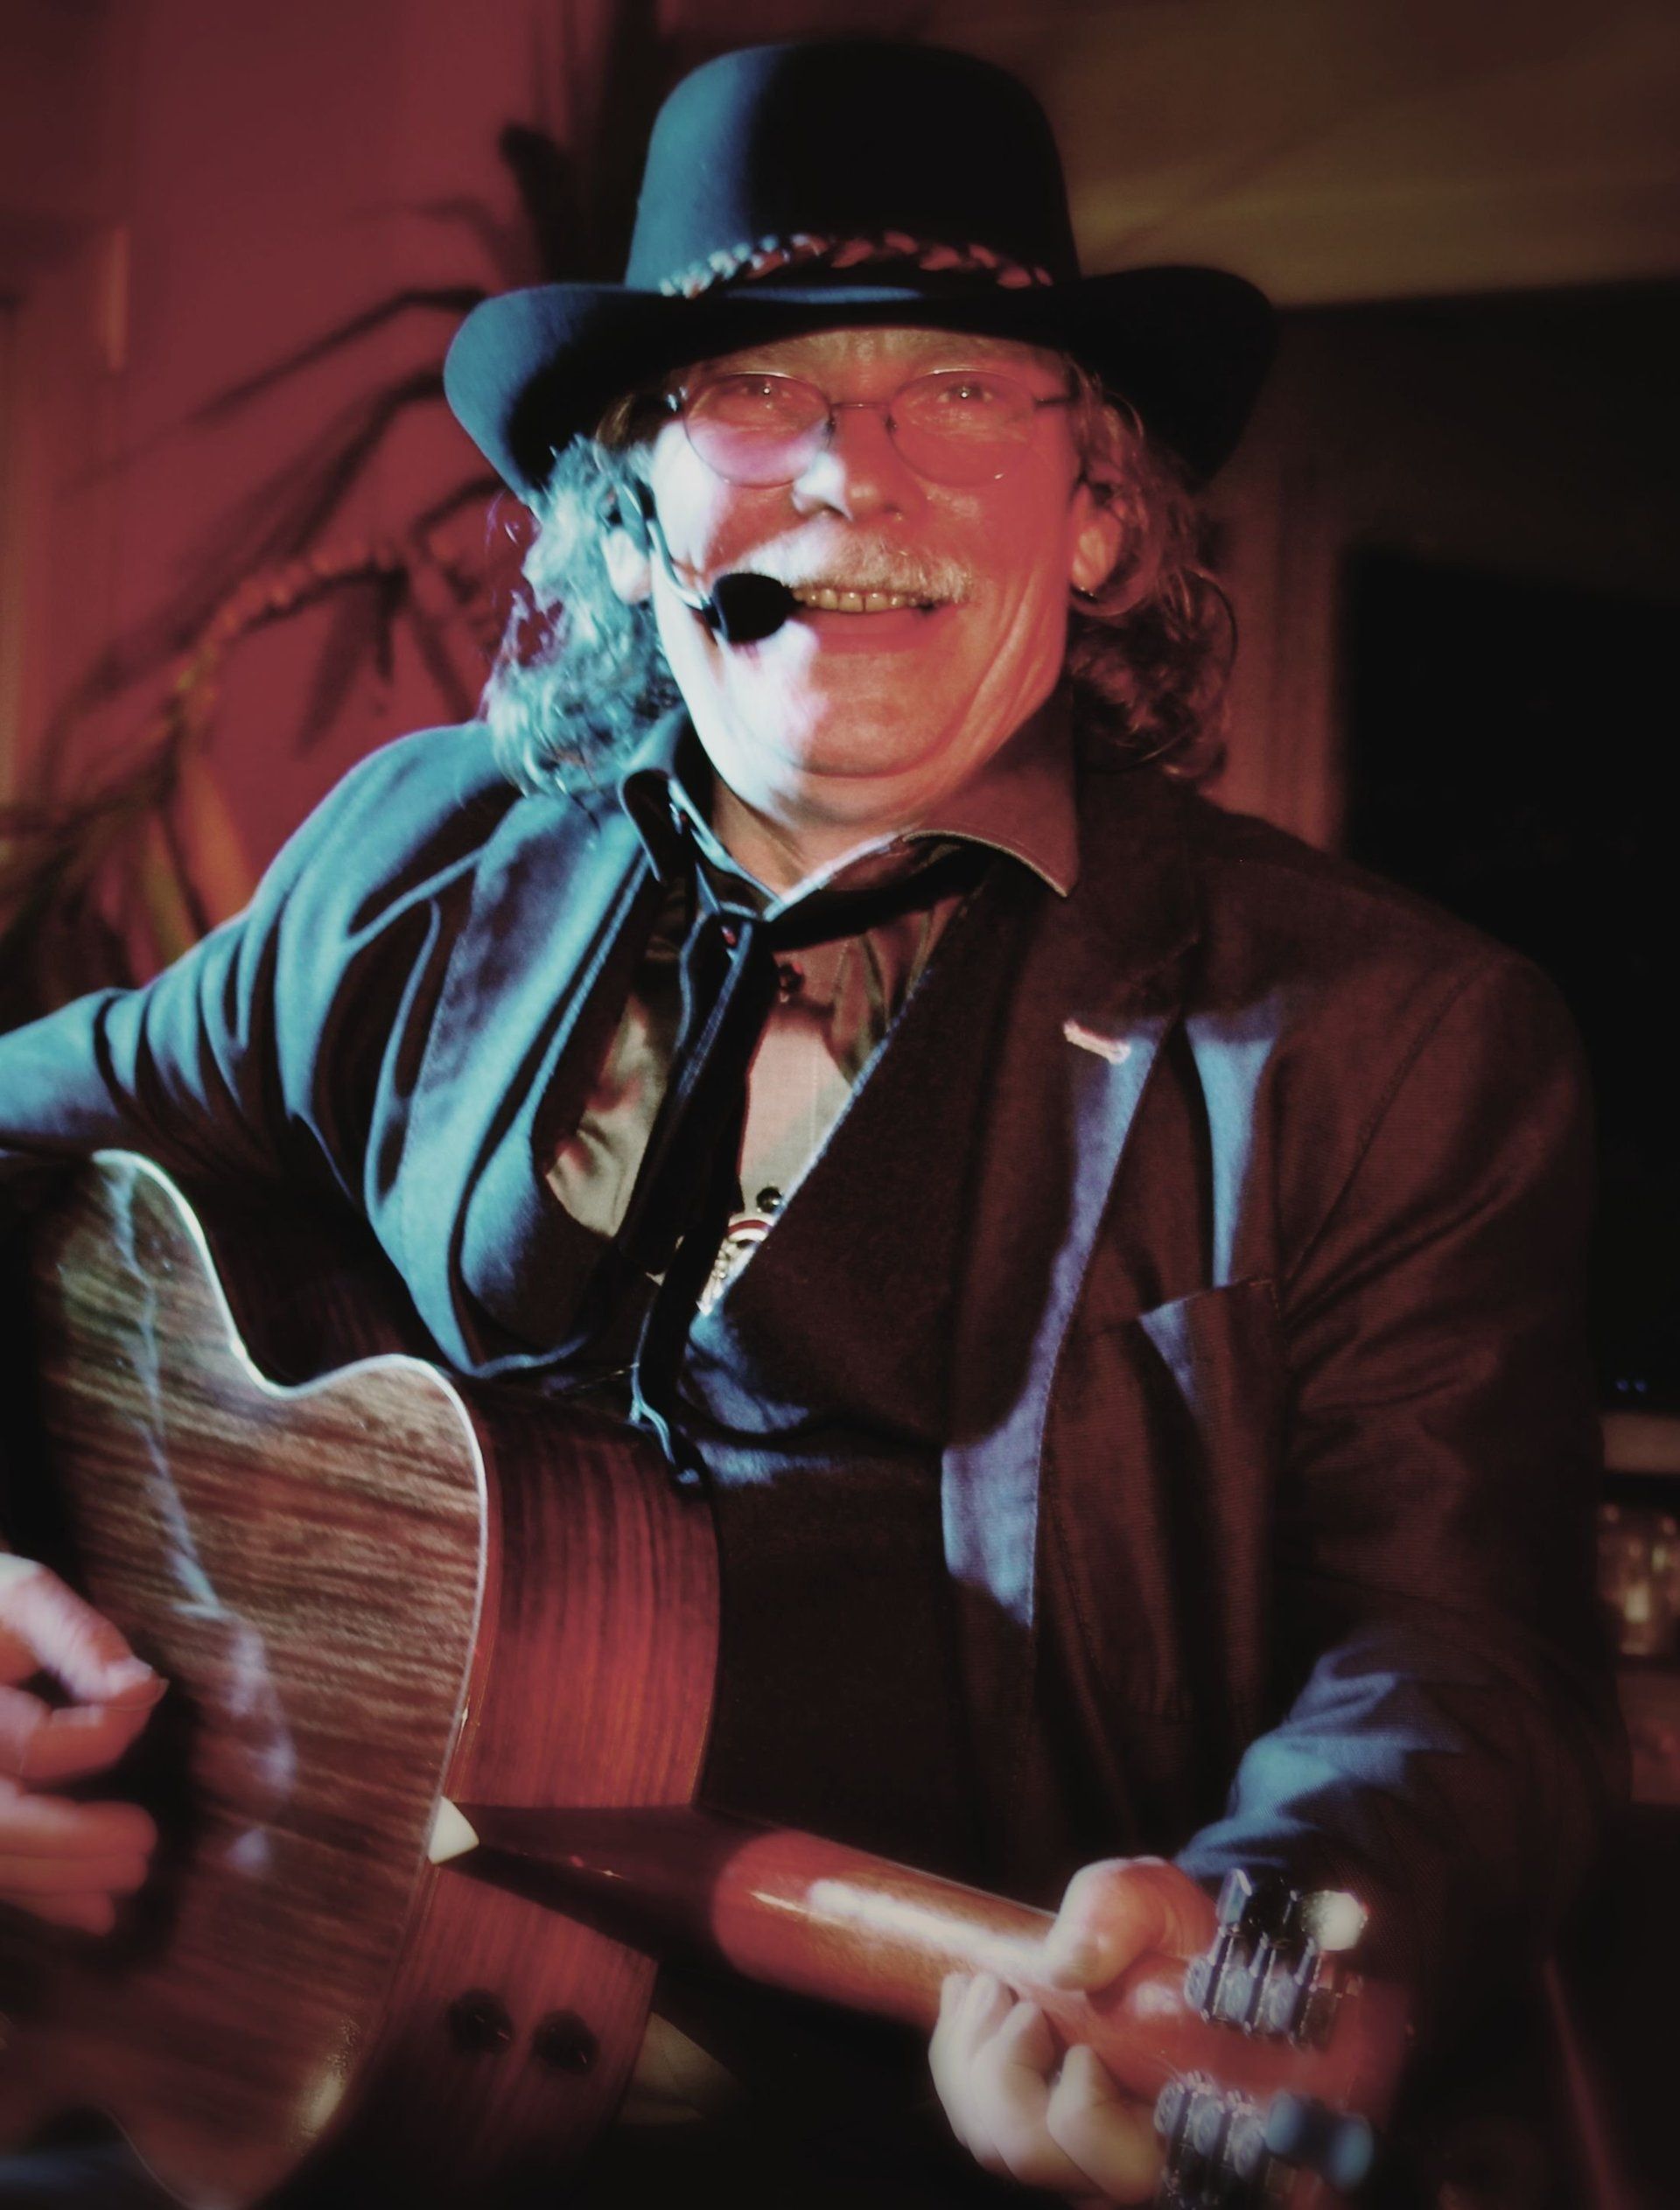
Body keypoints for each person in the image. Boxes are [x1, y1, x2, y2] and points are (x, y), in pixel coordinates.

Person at [0, 38, 1618, 2209]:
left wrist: (1262, 1943)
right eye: (755, 394)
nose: (855, 478)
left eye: (960, 394)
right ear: (628, 514)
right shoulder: (415, 865)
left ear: (1097, 510)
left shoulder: (1392, 1040)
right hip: (312, 2075)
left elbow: (1463, 1675)